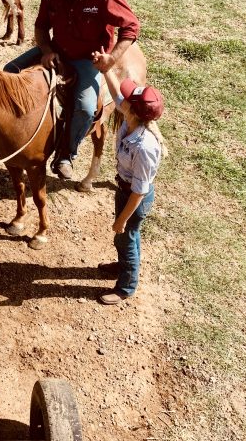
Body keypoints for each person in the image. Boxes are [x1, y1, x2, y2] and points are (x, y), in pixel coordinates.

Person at [4, 0, 140, 181]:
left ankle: (67, 153)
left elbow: (131, 26)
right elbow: (41, 27)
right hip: (57, 49)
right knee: (8, 71)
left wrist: (111, 58)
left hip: (88, 59)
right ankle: (12, 134)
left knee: (86, 108)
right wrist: (46, 50)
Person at [94, 55, 165, 305]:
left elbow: (140, 191)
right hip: (124, 189)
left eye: (129, 100)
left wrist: (122, 220)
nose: (123, 101)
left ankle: (126, 287)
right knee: (125, 238)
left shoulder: (144, 146)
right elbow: (116, 93)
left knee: (127, 236)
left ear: (134, 111)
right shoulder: (132, 116)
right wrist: (105, 69)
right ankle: (123, 263)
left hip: (134, 198)